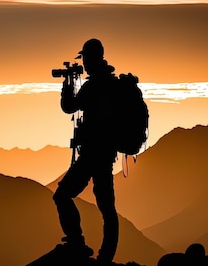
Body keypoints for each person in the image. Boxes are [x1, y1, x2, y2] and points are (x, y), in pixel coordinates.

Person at [53, 38, 119, 264]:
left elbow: (69, 107)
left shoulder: (94, 86)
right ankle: (105, 257)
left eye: (86, 59)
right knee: (107, 208)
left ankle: (76, 242)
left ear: (91, 58)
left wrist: (67, 85)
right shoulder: (110, 84)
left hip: (92, 154)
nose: (85, 64)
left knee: (62, 195)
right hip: (105, 155)